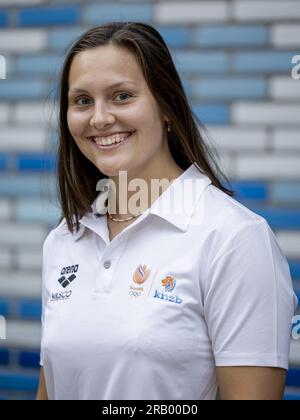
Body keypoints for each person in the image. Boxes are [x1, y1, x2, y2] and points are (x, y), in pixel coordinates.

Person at [36, 22, 298, 400]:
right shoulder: (63, 238)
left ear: (167, 107)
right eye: (81, 101)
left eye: (122, 96)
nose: (99, 118)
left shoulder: (235, 238)